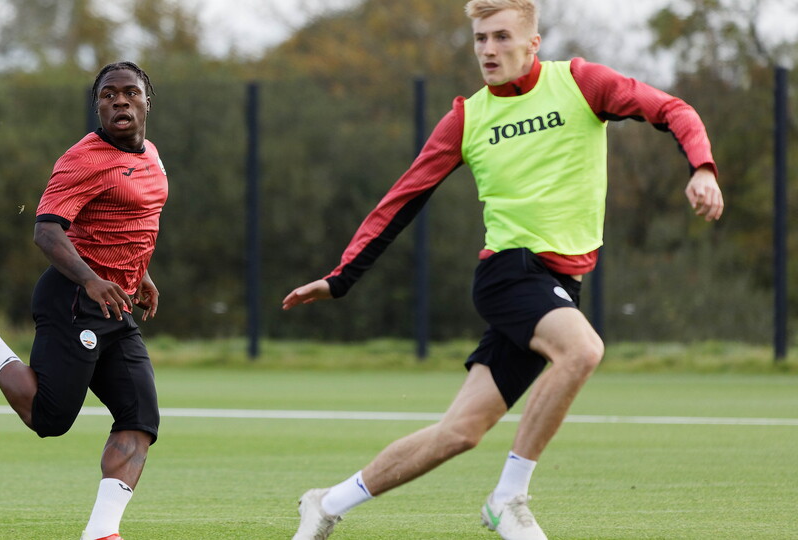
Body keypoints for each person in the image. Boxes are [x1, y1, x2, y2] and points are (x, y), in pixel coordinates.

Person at [282, 0, 724, 538]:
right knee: (582, 350)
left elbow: (672, 108)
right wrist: (341, 277)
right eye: (480, 39)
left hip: (557, 286)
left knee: (459, 433)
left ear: (533, 42)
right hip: (509, 273)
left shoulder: (582, 83)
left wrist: (701, 166)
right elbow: (403, 198)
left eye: (501, 37)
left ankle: (326, 503)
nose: (488, 50)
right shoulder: (467, 117)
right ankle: (508, 498)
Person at [0, 61, 169, 540]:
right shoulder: (84, 158)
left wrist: (141, 274)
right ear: (98, 105)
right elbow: (46, 232)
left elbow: (123, 223)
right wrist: (92, 280)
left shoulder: (151, 154)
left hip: (117, 304)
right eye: (108, 94)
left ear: (147, 101)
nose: (119, 101)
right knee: (48, 419)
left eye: (130, 92)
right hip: (74, 298)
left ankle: (101, 532)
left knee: (140, 419)